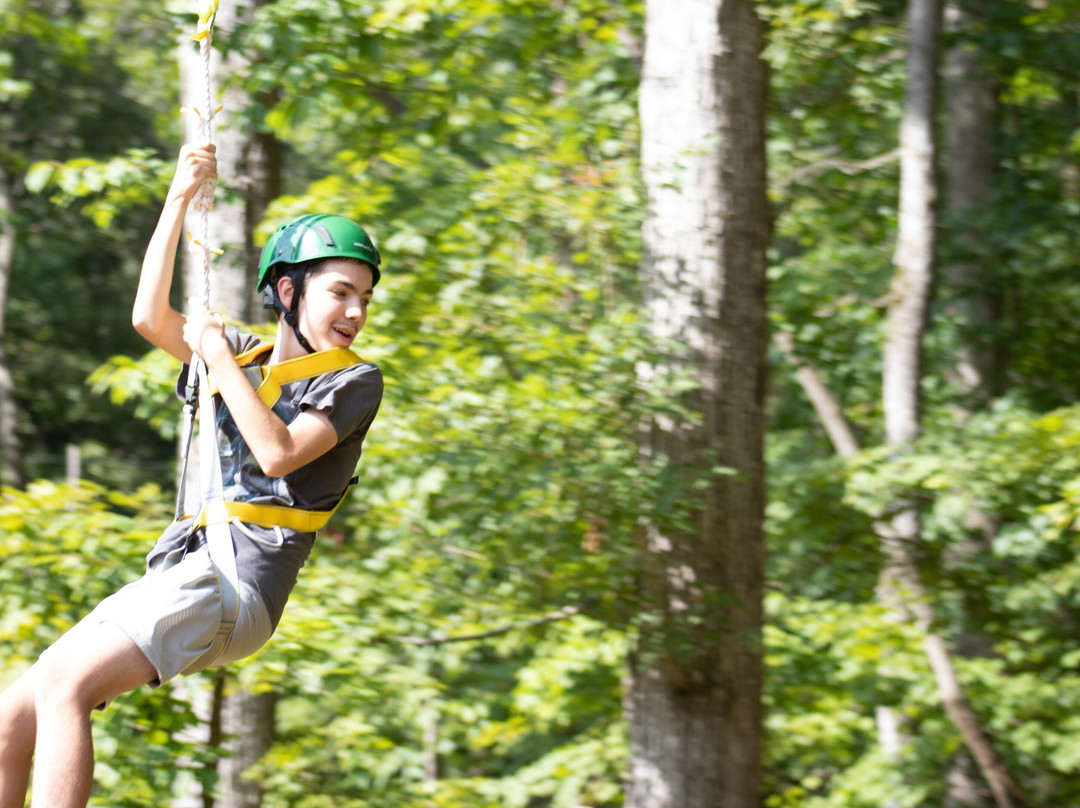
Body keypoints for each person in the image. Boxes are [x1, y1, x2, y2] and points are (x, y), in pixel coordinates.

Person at [0, 143, 383, 808]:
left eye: (365, 299)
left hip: (240, 582)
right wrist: (178, 196)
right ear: (288, 292)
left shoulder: (354, 381)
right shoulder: (242, 355)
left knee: (66, 687)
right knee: (10, 721)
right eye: (340, 293)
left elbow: (279, 453)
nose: (355, 312)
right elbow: (149, 318)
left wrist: (215, 354)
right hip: (189, 569)